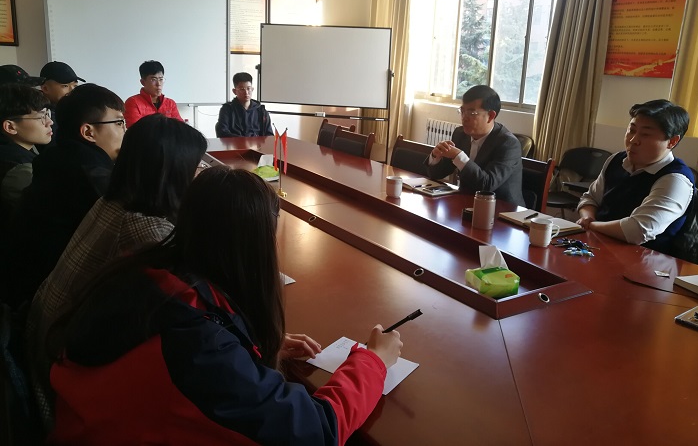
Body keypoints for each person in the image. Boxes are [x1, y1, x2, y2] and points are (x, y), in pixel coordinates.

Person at [47, 166, 402, 446]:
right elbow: (316, 431)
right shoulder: (195, 343)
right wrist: (374, 361)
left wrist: (246, 346)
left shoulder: (149, 273)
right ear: (253, 245)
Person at [26, 113, 208, 430]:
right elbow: (197, 294)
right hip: (62, 371)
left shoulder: (116, 200)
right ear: (172, 171)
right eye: (196, 165)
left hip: (44, 335)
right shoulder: (147, 228)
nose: (201, 171)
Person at [3, 84, 126, 309]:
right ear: (88, 132)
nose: (125, 130)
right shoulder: (90, 176)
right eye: (119, 123)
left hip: (27, 288)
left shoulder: (57, 156)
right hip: (54, 301)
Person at [577, 100, 694, 254]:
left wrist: (591, 225)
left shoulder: (675, 179)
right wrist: (588, 218)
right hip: (597, 246)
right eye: (631, 130)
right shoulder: (616, 160)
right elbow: (590, 198)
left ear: (672, 141)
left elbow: (637, 231)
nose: (633, 140)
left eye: (645, 134)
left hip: (644, 260)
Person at [426, 85, 525, 206]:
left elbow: (487, 185)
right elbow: (437, 174)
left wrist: (459, 156)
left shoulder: (508, 144)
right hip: (467, 203)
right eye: (462, 111)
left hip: (502, 210)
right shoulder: (460, 134)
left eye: (472, 113)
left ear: (491, 116)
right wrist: (436, 157)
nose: (464, 118)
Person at [0, 84, 53, 221]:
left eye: (47, 114)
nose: (50, 122)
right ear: (10, 127)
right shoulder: (19, 170)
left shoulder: (22, 148)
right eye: (41, 117)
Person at [124, 60, 184, 128]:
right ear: (143, 82)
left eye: (161, 79)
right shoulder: (133, 102)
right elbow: (135, 130)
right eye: (153, 79)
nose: (158, 84)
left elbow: (181, 127)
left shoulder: (170, 103)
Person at [38, 61, 85, 145]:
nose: (72, 91)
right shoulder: (42, 114)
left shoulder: (69, 109)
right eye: (65, 86)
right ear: (45, 88)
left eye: (75, 86)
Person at [215, 72, 273, 137]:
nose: (246, 92)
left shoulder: (261, 111)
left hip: (257, 143)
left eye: (248, 88)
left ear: (252, 89)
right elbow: (223, 133)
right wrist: (245, 141)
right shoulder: (227, 109)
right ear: (234, 91)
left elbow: (269, 135)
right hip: (235, 143)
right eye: (242, 89)